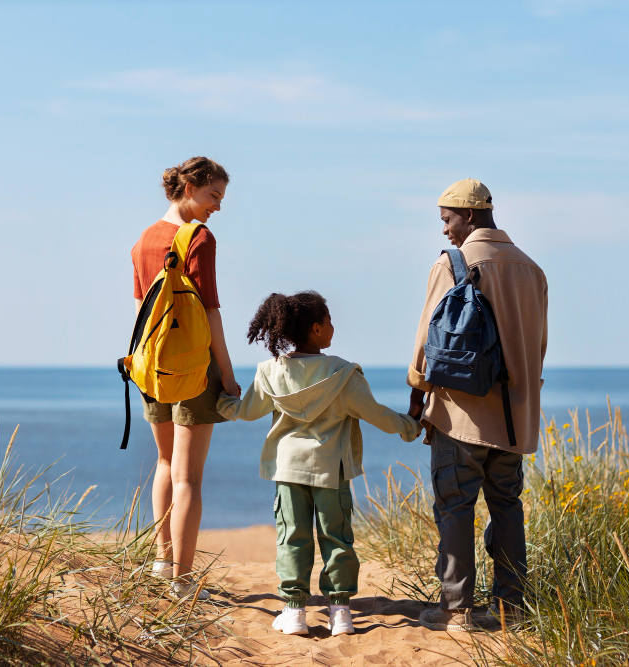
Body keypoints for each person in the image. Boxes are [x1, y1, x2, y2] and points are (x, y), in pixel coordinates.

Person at [217, 291, 421, 637]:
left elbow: (245, 411)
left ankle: (295, 611)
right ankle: (340, 612)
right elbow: (378, 415)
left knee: (292, 538)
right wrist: (411, 426)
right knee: (336, 538)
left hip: (288, 470)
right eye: (328, 321)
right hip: (332, 471)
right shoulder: (343, 374)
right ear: (316, 328)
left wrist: (221, 400)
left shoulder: (270, 371)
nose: (332, 326)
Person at [407, 178, 547, 631]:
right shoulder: (531, 268)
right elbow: (538, 345)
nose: (445, 230)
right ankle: (511, 608)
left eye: (447, 220)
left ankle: (457, 609)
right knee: (507, 505)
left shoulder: (453, 264)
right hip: (515, 417)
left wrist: (418, 390)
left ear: (469, 214)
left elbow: (426, 346)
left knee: (455, 505)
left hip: (461, 412)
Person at [130, 156, 241, 599]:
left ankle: (162, 562)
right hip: (196, 368)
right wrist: (228, 375)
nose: (218, 206)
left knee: (163, 463)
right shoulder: (197, 237)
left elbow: (141, 311)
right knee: (189, 478)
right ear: (191, 186)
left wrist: (141, 364)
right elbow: (210, 309)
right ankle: (183, 579)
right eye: (214, 195)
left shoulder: (142, 241)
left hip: (151, 364)